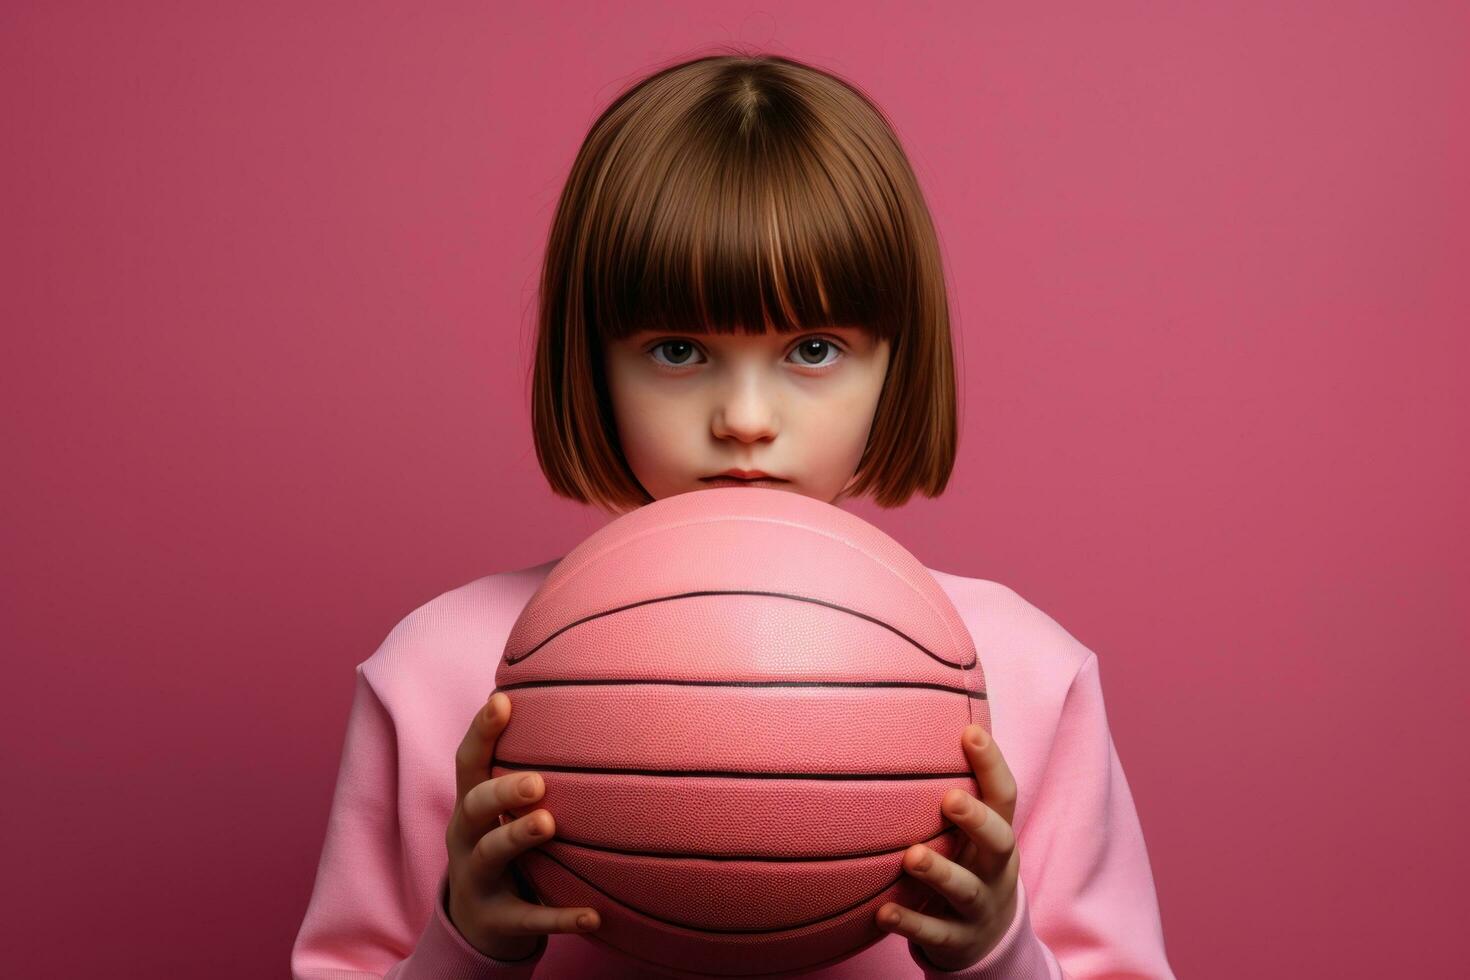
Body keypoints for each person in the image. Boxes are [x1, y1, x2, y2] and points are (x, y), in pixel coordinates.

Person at [291, 52, 1175, 979]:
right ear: (591, 363)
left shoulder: (1029, 676)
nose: (745, 421)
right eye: (678, 350)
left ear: (897, 364)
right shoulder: (435, 674)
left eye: (814, 348)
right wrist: (468, 942)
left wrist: (997, 953)